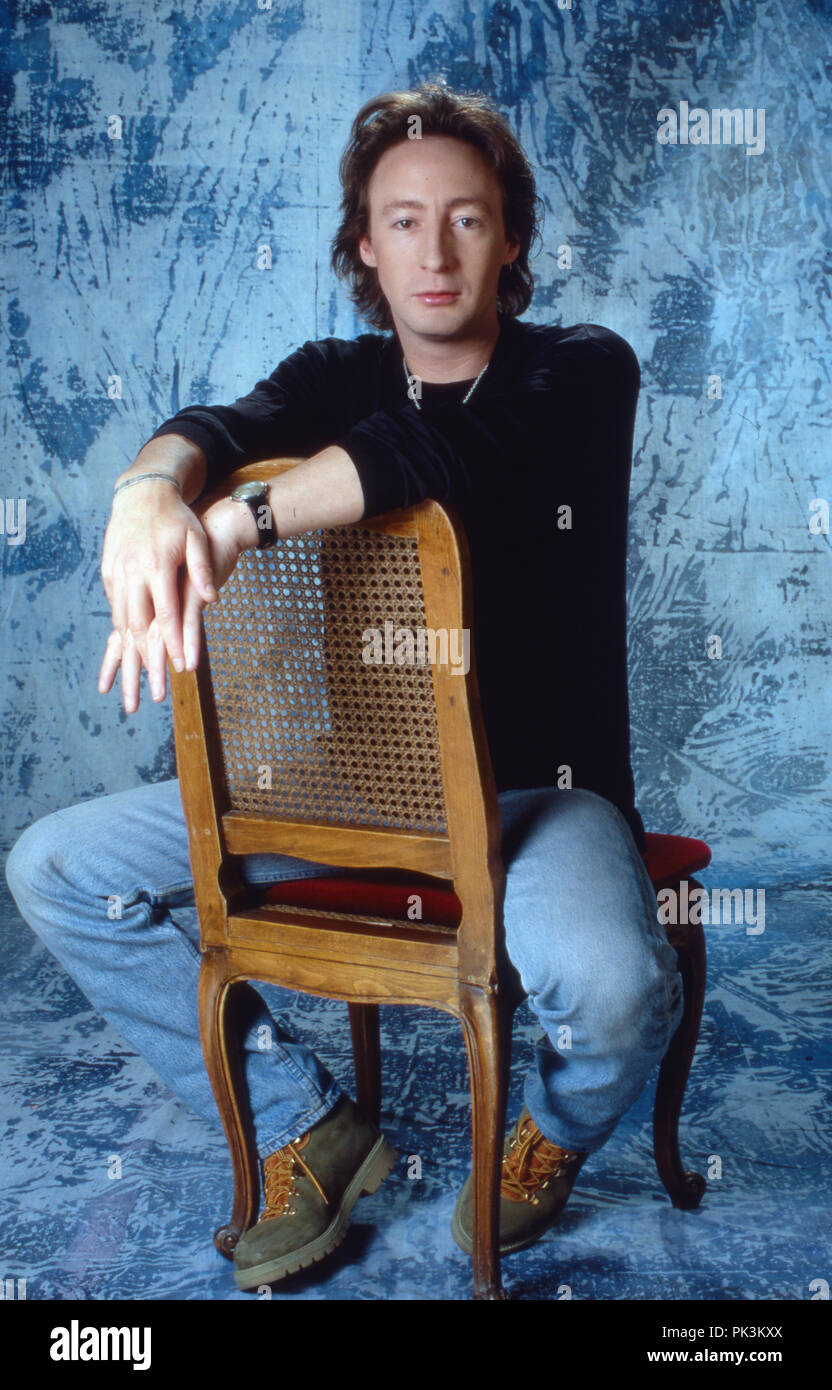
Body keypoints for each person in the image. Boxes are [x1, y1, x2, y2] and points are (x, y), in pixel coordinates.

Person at [5, 80, 685, 1293]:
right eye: (404, 220)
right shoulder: (337, 369)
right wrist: (151, 488)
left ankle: (557, 1128)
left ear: (511, 235)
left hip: (541, 791)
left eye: (467, 218)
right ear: (364, 245)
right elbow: (221, 420)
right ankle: (302, 1124)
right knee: (57, 869)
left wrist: (236, 521)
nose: (435, 250)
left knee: (620, 987)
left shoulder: (583, 369)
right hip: (352, 790)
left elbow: (434, 457)